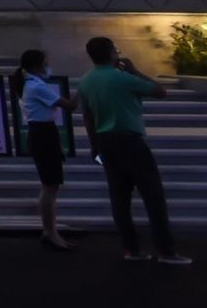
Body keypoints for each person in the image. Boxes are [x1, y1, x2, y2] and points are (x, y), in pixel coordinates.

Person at [78, 36, 187, 265]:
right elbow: (160, 91)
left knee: (119, 199)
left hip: (105, 141)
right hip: (129, 141)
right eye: (116, 49)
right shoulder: (124, 79)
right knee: (153, 196)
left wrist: (94, 145)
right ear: (111, 53)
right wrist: (136, 70)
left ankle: (131, 249)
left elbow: (87, 116)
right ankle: (166, 251)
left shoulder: (86, 81)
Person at [17, 48, 73, 251]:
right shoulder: (37, 87)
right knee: (50, 184)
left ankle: (50, 230)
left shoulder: (33, 85)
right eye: (45, 62)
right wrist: (86, 89)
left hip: (43, 133)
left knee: (51, 184)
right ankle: (51, 231)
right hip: (43, 134)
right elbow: (69, 105)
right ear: (35, 66)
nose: (48, 65)